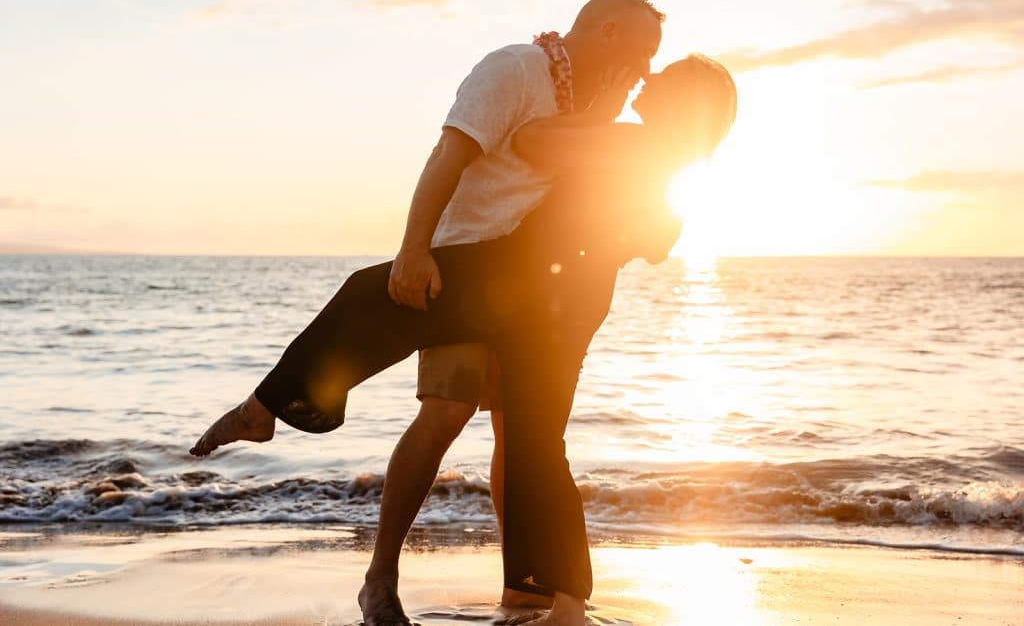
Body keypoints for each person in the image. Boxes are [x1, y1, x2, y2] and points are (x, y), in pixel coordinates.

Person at [192, 54, 738, 626]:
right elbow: (654, 242)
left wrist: (596, 114)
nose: (647, 75)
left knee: (375, 297)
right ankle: (562, 600)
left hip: (521, 279)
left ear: (682, 103)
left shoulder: (626, 141)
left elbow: (531, 142)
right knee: (536, 442)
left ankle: (267, 406)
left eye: (665, 76)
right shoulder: (665, 163)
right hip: (557, 297)